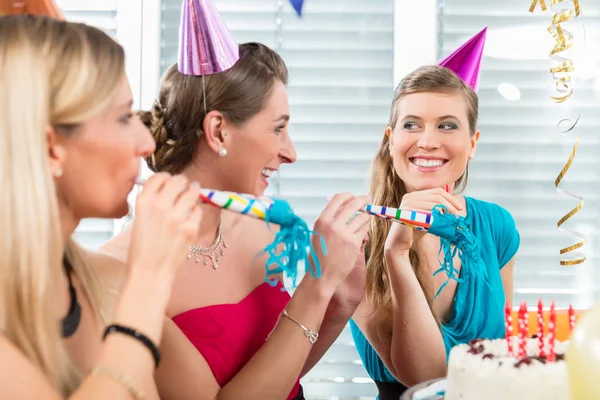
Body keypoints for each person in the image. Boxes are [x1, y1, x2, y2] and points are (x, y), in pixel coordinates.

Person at [100, 2, 370, 398]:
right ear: (219, 132)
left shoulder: (255, 224)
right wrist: (315, 287)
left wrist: (340, 301)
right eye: (278, 129)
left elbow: (278, 375)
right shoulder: (123, 273)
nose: (290, 153)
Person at [0, 14, 203, 399]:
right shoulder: (135, 288)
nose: (148, 143)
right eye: (125, 116)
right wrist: (149, 281)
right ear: (51, 147)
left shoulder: (108, 281)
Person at [350, 29, 520, 400]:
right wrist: (396, 252)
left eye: (447, 125)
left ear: (472, 143)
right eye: (412, 125)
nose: (427, 141)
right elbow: (426, 379)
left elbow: (501, 358)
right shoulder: (355, 235)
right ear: (391, 139)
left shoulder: (497, 227)